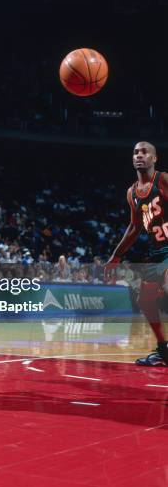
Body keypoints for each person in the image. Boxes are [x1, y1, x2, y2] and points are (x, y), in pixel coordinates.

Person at [106, 142, 168, 366]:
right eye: (135, 152)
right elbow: (134, 228)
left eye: (144, 152)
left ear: (154, 158)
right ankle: (164, 349)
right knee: (146, 300)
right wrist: (116, 256)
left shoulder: (162, 180)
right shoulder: (132, 192)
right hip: (156, 253)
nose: (139, 155)